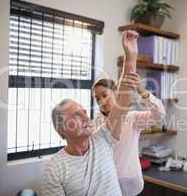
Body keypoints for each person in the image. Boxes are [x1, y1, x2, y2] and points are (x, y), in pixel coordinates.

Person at [41, 30, 139, 196]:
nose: (86, 117)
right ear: (61, 129)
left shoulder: (102, 139)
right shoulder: (54, 168)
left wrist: (130, 57)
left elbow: (123, 99)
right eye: (76, 115)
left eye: (84, 112)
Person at [92, 67, 166, 195]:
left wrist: (142, 91)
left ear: (116, 93)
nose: (102, 101)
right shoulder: (95, 125)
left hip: (130, 186)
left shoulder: (132, 118)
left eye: (104, 95)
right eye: (97, 98)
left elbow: (159, 115)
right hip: (104, 187)